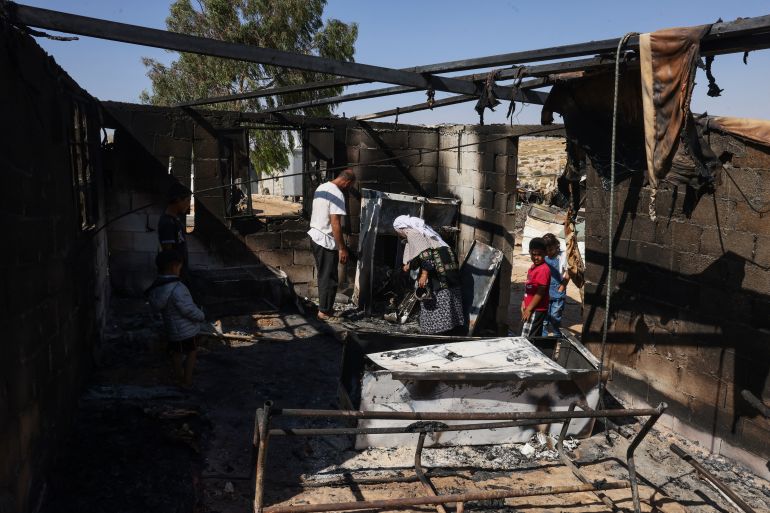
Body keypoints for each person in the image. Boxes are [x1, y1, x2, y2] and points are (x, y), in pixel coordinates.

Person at [394, 215, 464, 335]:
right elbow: (420, 252)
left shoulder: (412, 232)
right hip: (447, 262)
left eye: (398, 232)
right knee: (450, 292)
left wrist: (424, 274)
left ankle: (436, 330)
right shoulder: (424, 230)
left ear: (401, 229)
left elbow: (425, 254)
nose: (400, 235)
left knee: (435, 293)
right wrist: (409, 265)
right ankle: (453, 327)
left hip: (436, 265)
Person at [147, 249, 205, 387]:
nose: (180, 269)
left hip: (172, 330)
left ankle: (179, 376)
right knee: (192, 351)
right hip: (186, 331)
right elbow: (188, 310)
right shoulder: (177, 288)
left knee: (176, 353)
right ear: (174, 267)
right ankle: (187, 380)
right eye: (179, 266)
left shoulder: (157, 287)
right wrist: (201, 316)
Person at [307, 169, 356, 321]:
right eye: (350, 186)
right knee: (329, 277)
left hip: (315, 235)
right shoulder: (337, 193)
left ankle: (325, 308)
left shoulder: (321, 187)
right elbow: (335, 223)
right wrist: (342, 247)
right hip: (325, 239)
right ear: (347, 182)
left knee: (325, 275)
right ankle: (324, 312)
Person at [158, 182, 192, 278]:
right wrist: (174, 275)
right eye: (187, 200)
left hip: (181, 273)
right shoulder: (167, 223)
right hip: (174, 275)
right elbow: (168, 253)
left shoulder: (176, 220)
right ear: (177, 200)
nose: (188, 204)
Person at [542, 233, 570, 336]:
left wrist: (562, 286)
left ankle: (557, 335)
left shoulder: (562, 256)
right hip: (545, 291)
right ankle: (543, 337)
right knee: (544, 316)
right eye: (546, 251)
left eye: (550, 250)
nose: (548, 253)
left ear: (556, 246)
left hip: (557, 291)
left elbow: (569, 272)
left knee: (555, 315)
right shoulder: (543, 257)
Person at [521, 237, 550, 338]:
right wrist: (524, 302)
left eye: (539, 254)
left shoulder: (543, 269)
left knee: (527, 338)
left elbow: (541, 291)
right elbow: (529, 287)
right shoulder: (533, 268)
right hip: (531, 307)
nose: (536, 257)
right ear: (529, 252)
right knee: (533, 336)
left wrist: (529, 308)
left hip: (536, 309)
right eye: (534, 254)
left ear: (545, 253)